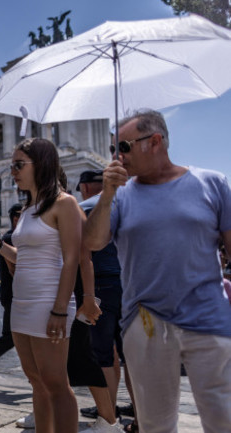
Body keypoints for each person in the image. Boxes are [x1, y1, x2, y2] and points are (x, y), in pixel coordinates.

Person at [83, 109, 231, 433]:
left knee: (224, 418)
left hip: (208, 317)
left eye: (123, 147)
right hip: (145, 321)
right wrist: (106, 195)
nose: (116, 156)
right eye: (113, 149)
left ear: (155, 141)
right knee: (155, 424)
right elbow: (92, 242)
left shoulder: (212, 183)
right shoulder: (119, 196)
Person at [0, 138, 99, 433]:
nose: (13, 172)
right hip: (23, 303)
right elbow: (26, 259)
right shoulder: (30, 207)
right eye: (12, 166)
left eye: (19, 165)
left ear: (42, 164)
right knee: (36, 380)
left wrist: (60, 310)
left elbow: (72, 260)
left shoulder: (65, 203)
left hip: (50, 303)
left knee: (56, 383)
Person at [77, 170, 137, 432]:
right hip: (129, 285)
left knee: (101, 356)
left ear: (87, 187)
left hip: (99, 286)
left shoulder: (84, 208)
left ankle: (108, 416)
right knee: (132, 357)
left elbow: (79, 254)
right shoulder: (129, 204)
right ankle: (142, 417)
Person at [0, 203, 21, 364]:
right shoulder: (10, 239)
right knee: (10, 337)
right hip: (14, 295)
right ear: (16, 219)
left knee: (20, 337)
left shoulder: (12, 237)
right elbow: (13, 268)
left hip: (14, 295)